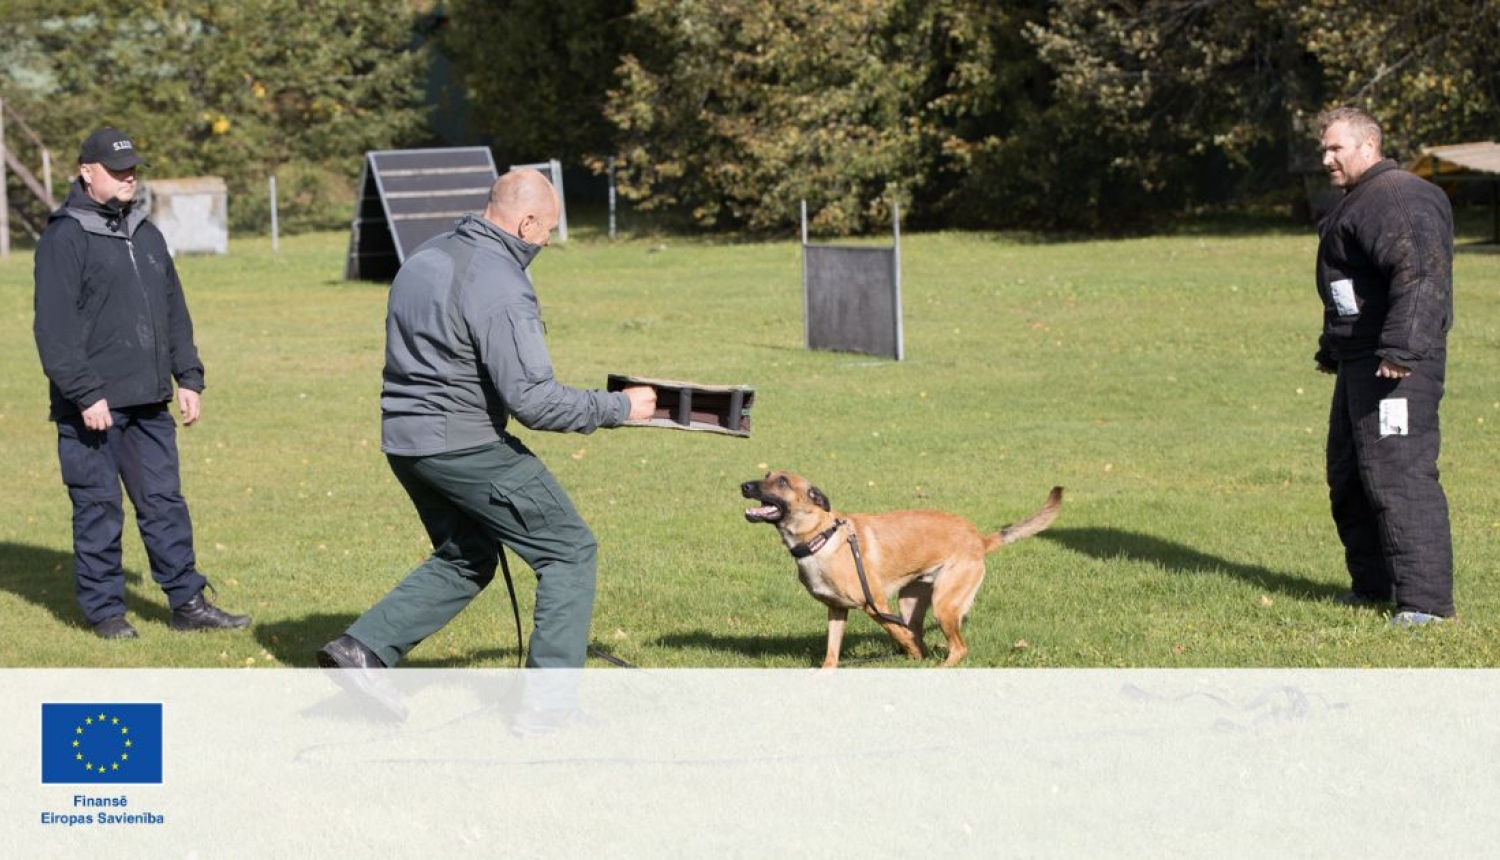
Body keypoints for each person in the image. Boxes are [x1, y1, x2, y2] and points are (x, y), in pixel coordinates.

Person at [317, 169, 656, 676]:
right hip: (465, 445)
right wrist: (620, 408)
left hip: (405, 442)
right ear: (526, 223)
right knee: (568, 551)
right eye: (546, 231)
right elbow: (535, 402)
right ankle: (549, 706)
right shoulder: (500, 282)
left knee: (468, 553)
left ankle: (362, 650)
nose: (545, 242)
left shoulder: (426, 255)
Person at [33, 127, 251, 639]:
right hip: (93, 407)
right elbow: (55, 329)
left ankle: (188, 603)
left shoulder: (146, 233)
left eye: (132, 168)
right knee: (98, 510)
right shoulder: (65, 237)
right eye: (117, 169)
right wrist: (85, 392)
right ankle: (106, 612)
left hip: (150, 401)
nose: (128, 176)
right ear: (87, 172)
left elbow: (173, 310)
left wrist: (189, 377)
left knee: (164, 504)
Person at [1313, 106, 1455, 626]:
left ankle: (1426, 606)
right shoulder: (1360, 201)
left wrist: (1400, 350)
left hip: (1397, 365)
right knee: (1350, 476)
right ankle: (1374, 586)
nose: (1326, 158)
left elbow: (1421, 275)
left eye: (1335, 148)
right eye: (1323, 150)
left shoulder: (1399, 197)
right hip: (1360, 362)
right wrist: (1335, 348)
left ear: (1368, 145)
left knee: (1400, 475)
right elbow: (1352, 291)